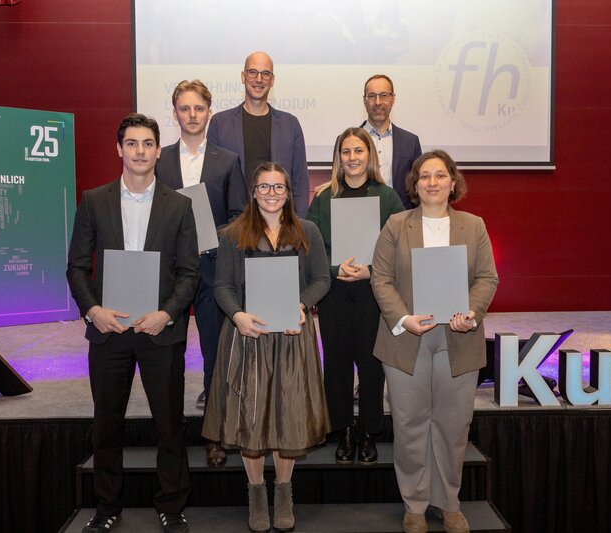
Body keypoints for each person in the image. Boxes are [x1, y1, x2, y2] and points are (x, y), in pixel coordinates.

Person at [67, 113, 199, 533]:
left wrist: (167, 314)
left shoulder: (181, 205)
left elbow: (190, 273)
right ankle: (107, 507)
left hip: (161, 331)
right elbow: (75, 267)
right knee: (106, 424)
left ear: (159, 150)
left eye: (147, 143)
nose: (140, 151)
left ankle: (172, 505)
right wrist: (94, 311)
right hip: (109, 333)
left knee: (169, 425)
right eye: (132, 143)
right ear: (119, 149)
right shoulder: (93, 200)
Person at [370, 150, 498, 533]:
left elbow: (487, 279)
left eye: (440, 175)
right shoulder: (396, 225)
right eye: (424, 176)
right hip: (407, 338)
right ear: (415, 185)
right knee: (410, 423)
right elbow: (381, 277)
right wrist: (404, 319)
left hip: (458, 338)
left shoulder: (473, 226)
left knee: (453, 424)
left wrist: (471, 313)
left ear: (452, 182)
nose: (432, 182)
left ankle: (448, 502)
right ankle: (414, 502)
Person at [202, 162, 331, 532]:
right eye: (264, 187)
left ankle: (284, 490)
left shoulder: (307, 231)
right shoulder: (233, 234)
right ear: (253, 192)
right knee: (251, 417)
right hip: (248, 337)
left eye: (279, 187)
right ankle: (256, 491)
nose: (271, 194)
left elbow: (321, 279)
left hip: (292, 335)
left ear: (288, 193)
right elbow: (223, 286)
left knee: (288, 413)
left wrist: (303, 305)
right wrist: (238, 315)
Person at [155, 79, 247, 468]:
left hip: (212, 269)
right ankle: (171, 437)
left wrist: (213, 234)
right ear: (174, 112)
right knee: (168, 356)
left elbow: (240, 216)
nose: (192, 115)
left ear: (209, 112)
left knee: (214, 355)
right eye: (184, 108)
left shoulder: (227, 161)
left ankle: (215, 436)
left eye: (199, 108)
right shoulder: (159, 160)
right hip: (171, 273)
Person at [306, 127, 403, 466]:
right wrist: (336, 269)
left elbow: (398, 247)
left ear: (369, 155)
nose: (352, 158)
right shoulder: (323, 197)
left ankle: (369, 431)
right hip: (334, 293)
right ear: (338, 157)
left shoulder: (387, 196)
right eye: (345, 152)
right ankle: (344, 430)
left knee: (372, 364)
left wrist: (371, 271)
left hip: (372, 292)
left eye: (358, 151)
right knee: (336, 364)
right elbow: (312, 246)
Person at [207, 51, 310, 217]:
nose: (259, 79)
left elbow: (300, 180)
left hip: (280, 225)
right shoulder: (220, 124)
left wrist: (297, 224)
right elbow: (212, 183)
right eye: (252, 72)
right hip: (234, 226)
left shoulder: (290, 125)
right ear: (243, 76)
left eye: (265, 74)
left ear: (273, 80)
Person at [360, 74, 422, 209]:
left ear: (393, 99)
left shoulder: (411, 142)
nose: (377, 102)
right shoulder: (347, 142)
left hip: (402, 219)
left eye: (384, 96)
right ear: (364, 101)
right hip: (361, 216)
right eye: (371, 96)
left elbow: (418, 188)